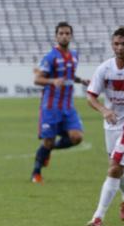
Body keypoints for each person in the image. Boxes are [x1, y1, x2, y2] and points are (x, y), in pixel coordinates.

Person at [30, 22, 90, 183]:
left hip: (68, 106)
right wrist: (52, 81)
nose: (64, 36)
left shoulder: (75, 55)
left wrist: (81, 80)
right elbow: (38, 80)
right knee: (47, 141)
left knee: (77, 137)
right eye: (61, 33)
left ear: (71, 36)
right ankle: (36, 172)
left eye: (67, 33)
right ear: (56, 36)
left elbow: (69, 76)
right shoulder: (50, 57)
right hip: (51, 106)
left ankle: (48, 150)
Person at [86, 27, 124, 226]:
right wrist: (104, 110)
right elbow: (91, 96)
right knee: (116, 167)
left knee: (114, 168)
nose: (120, 47)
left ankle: (98, 217)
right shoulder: (105, 68)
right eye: (116, 43)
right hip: (111, 124)